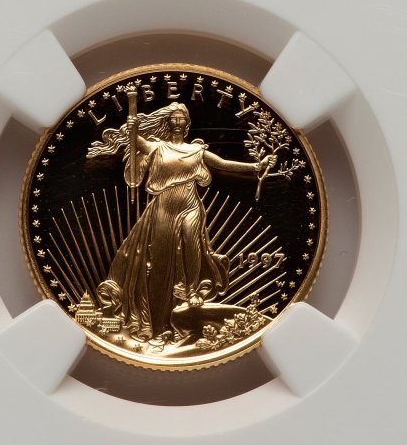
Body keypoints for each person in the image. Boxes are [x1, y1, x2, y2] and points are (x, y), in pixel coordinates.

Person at [87, 102, 275, 349]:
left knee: (192, 243)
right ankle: (159, 326)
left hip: (190, 203)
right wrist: (132, 128)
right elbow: (137, 141)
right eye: (173, 118)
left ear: (187, 124)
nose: (177, 122)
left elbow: (223, 163)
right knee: (161, 263)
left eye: (181, 119)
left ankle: (192, 290)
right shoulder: (157, 147)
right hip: (164, 205)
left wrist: (257, 167)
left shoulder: (196, 150)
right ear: (168, 122)